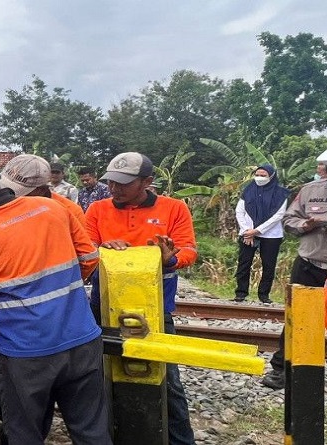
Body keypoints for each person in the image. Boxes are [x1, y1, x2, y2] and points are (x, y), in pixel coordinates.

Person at [0, 156, 110, 445]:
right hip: (82, 339)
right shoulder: (52, 208)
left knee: (24, 432)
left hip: (26, 351)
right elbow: (90, 258)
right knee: (91, 430)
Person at [85, 151, 197, 445]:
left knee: (167, 380)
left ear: (147, 182)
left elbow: (189, 251)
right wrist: (101, 249)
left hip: (156, 308)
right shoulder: (97, 210)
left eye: (124, 183)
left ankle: (181, 440)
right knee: (101, 374)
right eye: (111, 182)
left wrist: (170, 259)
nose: (114, 189)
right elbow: (83, 249)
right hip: (104, 305)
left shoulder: (174, 209)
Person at [261, 159, 327, 390]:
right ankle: (282, 370)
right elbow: (289, 220)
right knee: (297, 321)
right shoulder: (310, 190)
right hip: (309, 265)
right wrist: (306, 225)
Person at [233, 165, 289, 304]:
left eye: (263, 175)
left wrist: (257, 231)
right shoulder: (248, 189)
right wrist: (247, 231)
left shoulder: (281, 193)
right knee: (244, 263)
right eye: (257, 174)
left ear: (271, 176)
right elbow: (240, 211)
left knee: (269, 265)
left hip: (271, 235)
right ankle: (241, 292)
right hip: (247, 233)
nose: (259, 177)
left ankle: (264, 295)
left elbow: (278, 215)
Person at [1, 154, 87, 226]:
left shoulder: (72, 211)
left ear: (41, 190)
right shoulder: (6, 205)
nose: (12, 196)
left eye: (18, 191)